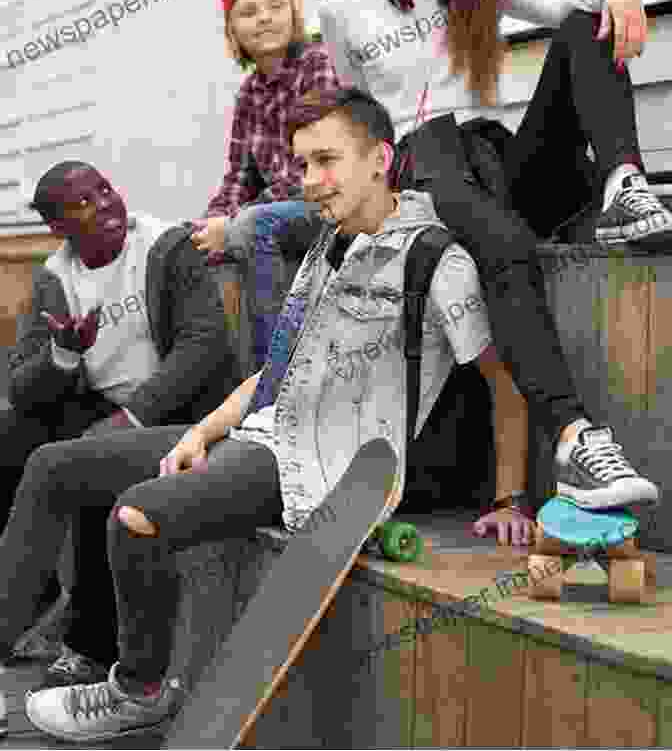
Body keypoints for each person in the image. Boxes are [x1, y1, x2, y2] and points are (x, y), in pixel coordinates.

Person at [6, 87, 539, 743]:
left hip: (321, 461)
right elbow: (276, 371)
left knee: (136, 518)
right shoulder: (327, 247)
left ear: (380, 158)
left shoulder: (436, 261)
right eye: (303, 165)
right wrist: (202, 432)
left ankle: (139, 688)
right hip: (263, 428)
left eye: (326, 160)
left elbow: (502, 378)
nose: (311, 182)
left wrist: (512, 496)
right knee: (54, 464)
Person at [316, 0, 662, 521]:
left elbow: (575, 2)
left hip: (495, 163)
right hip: (424, 164)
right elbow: (357, 121)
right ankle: (573, 435)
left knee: (581, 32)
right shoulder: (340, 6)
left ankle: (625, 181)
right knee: (490, 223)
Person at [0, 160, 241, 692]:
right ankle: (28, 601)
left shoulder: (164, 247)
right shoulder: (55, 279)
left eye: (106, 189)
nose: (106, 203)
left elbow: (204, 344)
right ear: (60, 227)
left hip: (188, 415)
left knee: (84, 462)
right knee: (12, 434)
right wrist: (63, 356)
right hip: (105, 405)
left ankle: (90, 645)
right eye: (85, 202)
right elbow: (23, 383)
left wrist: (130, 420)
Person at [189, 0, 339, 370]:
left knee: (253, 226)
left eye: (276, 5)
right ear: (233, 31)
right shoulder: (249, 93)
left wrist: (234, 221)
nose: (265, 17)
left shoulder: (317, 64)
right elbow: (238, 176)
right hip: (282, 208)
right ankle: (213, 385)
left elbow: (315, 165)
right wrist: (212, 222)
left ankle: (269, 379)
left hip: (328, 202)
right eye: (249, 12)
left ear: (293, 15)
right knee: (190, 242)